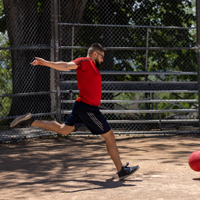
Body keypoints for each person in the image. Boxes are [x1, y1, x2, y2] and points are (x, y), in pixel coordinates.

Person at [10, 43, 139, 180]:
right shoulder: (85, 61)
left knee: (63, 130)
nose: (102, 60)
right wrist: (45, 63)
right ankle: (121, 171)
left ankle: (31, 121)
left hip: (82, 106)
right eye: (101, 56)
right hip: (88, 109)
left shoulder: (92, 67)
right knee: (110, 136)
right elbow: (65, 66)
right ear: (95, 54)